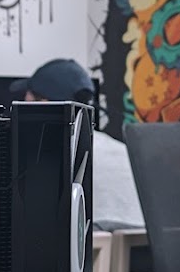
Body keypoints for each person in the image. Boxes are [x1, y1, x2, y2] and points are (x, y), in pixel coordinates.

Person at [11, 58, 145, 231]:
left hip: (88, 245)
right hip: (143, 246)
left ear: (43, 106)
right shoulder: (126, 152)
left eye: (27, 101)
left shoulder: (52, 157)